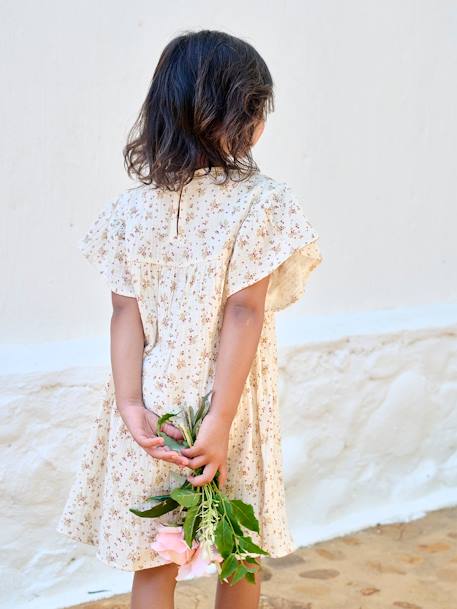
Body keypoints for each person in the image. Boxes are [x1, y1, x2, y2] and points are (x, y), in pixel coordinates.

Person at [56, 28, 323, 609]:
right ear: (229, 112)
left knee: (154, 559)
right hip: (227, 403)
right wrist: (220, 421)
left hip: (154, 411)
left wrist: (132, 406)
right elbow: (244, 310)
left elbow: (123, 312)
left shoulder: (129, 209)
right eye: (257, 108)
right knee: (238, 551)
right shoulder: (262, 201)